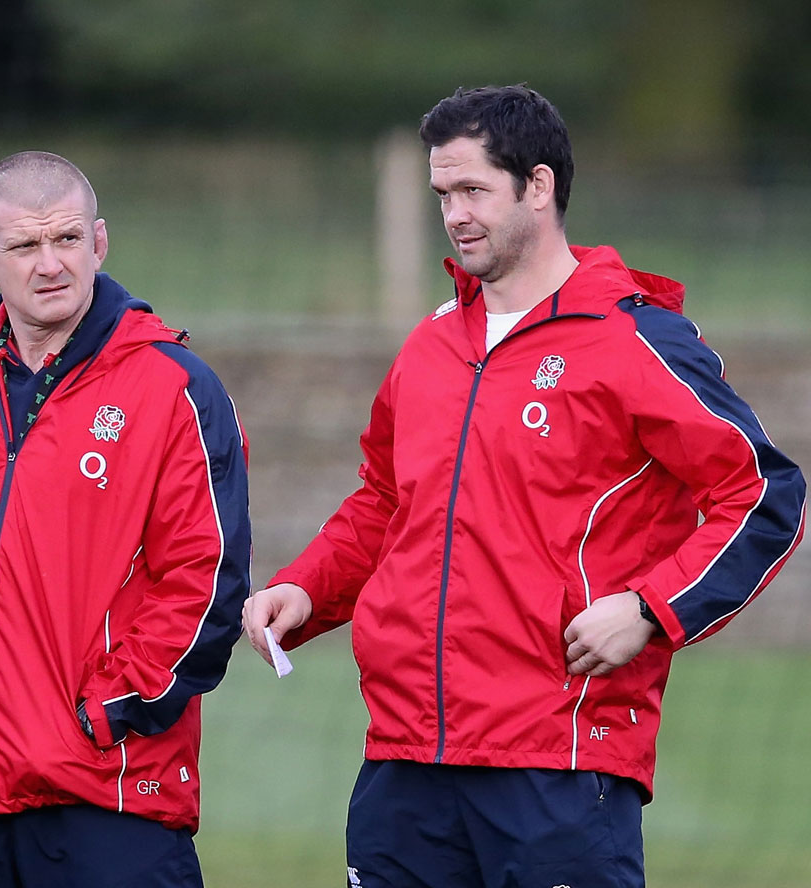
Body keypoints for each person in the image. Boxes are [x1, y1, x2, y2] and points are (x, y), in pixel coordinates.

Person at [242, 85, 806, 887]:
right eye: (443, 194)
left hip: (559, 763)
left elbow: (764, 495)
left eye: (473, 190)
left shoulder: (635, 340)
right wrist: (305, 589)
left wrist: (651, 610)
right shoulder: (432, 344)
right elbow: (384, 501)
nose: (455, 214)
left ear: (538, 187)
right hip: (406, 759)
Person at [0, 150, 250, 887]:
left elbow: (206, 581)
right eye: (25, 246)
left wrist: (107, 712)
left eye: (66, 240)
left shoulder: (175, 389)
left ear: (99, 243)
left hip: (105, 796)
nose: (50, 264)